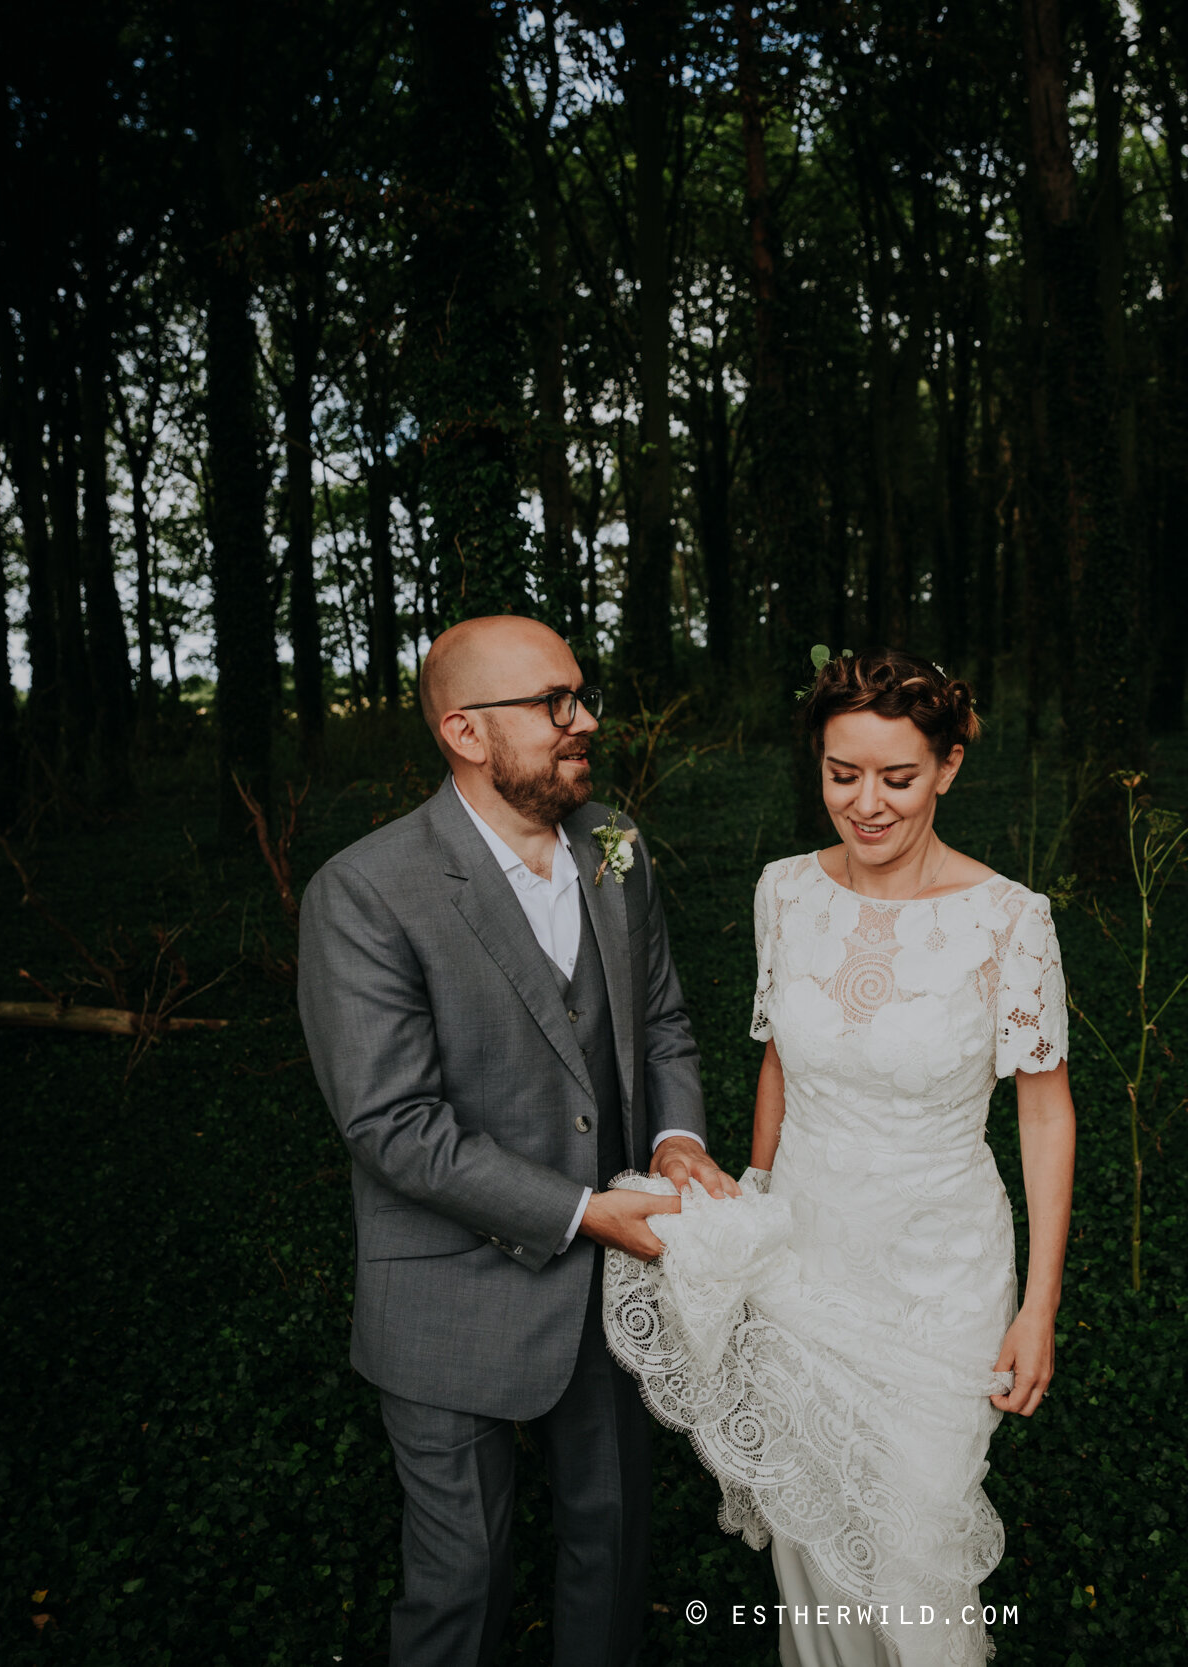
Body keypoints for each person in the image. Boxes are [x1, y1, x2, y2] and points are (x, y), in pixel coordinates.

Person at [603, 648, 1078, 1667]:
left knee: (913, 1542)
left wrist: (1038, 1304)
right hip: (804, 1249)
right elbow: (779, 1059)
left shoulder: (1009, 919)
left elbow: (1045, 1114)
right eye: (839, 772)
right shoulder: (784, 891)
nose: (863, 803)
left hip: (938, 1273)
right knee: (814, 1531)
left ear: (948, 767)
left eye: (895, 777)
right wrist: (756, 1197)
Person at [296, 615, 740, 1667]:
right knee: (463, 1579)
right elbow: (388, 1124)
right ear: (464, 729)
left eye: (580, 694)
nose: (583, 719)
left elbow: (665, 1018)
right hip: (449, 1294)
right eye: (553, 703)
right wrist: (581, 1211)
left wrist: (676, 1138)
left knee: (614, 1547)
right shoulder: (363, 891)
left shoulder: (614, 843)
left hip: (615, 1287)